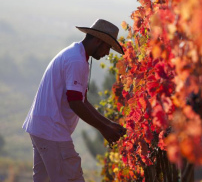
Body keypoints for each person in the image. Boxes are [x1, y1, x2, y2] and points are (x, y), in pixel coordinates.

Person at [22, 19, 127, 182]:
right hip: (52, 131)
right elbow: (75, 103)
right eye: (107, 47)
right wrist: (103, 129)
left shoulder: (75, 53)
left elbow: (81, 100)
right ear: (98, 41)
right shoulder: (77, 61)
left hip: (40, 128)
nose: (107, 53)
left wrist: (108, 124)